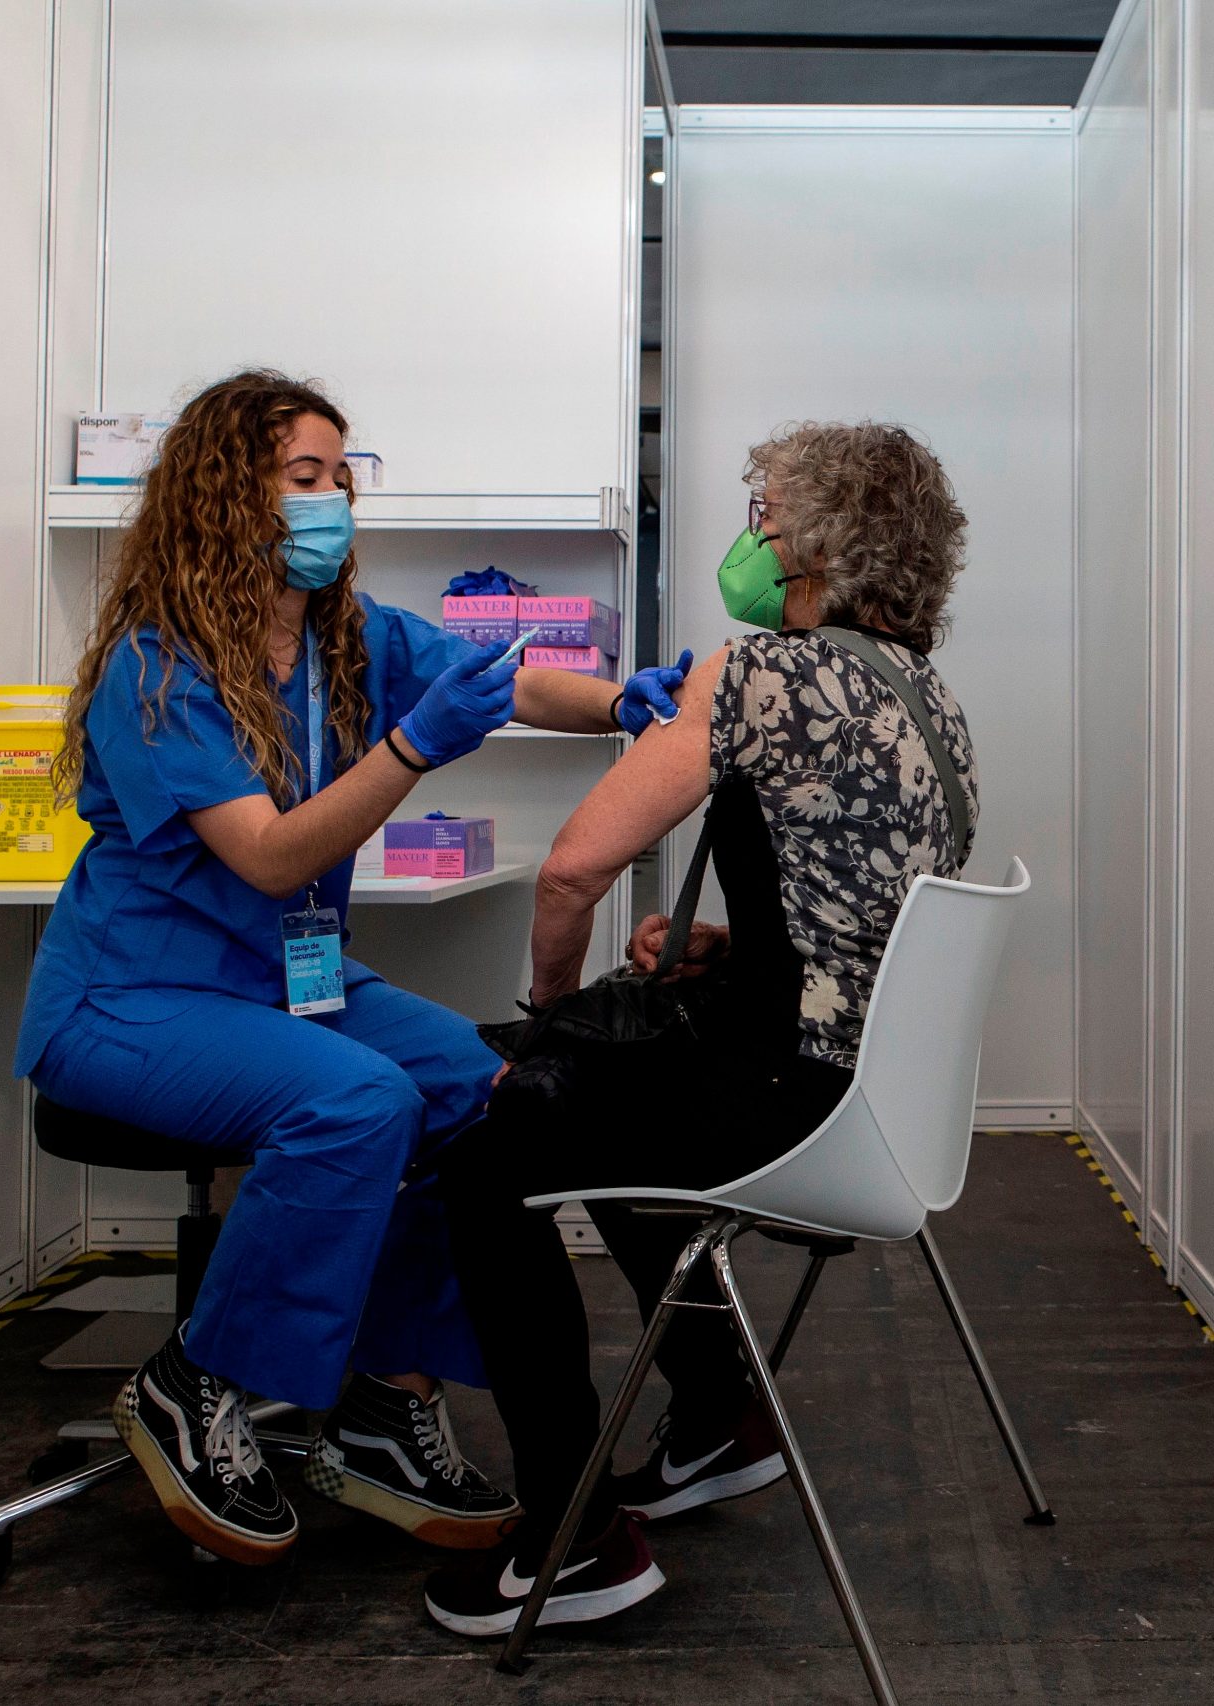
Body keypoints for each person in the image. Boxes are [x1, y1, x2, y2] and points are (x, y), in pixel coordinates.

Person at [16, 370, 690, 1566]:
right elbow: (272, 857)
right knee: (356, 1098)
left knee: (481, 1092)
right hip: (133, 998)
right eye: (305, 478)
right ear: (230, 498)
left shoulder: (347, 637)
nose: (334, 501)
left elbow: (496, 680)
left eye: (342, 475)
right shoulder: (158, 670)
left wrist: (618, 706)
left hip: (289, 980)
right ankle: (196, 1380)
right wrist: (408, 753)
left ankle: (386, 1396)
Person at [418, 421, 979, 1637]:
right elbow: (863, 912)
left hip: (788, 1096)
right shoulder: (929, 700)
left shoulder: (762, 671)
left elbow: (570, 874)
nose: (752, 537)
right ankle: (720, 1412)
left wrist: (552, 1027)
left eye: (765, 515)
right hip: (865, 1091)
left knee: (498, 1144)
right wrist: (732, 949)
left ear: (819, 544)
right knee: (610, 1107)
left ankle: (569, 1536)